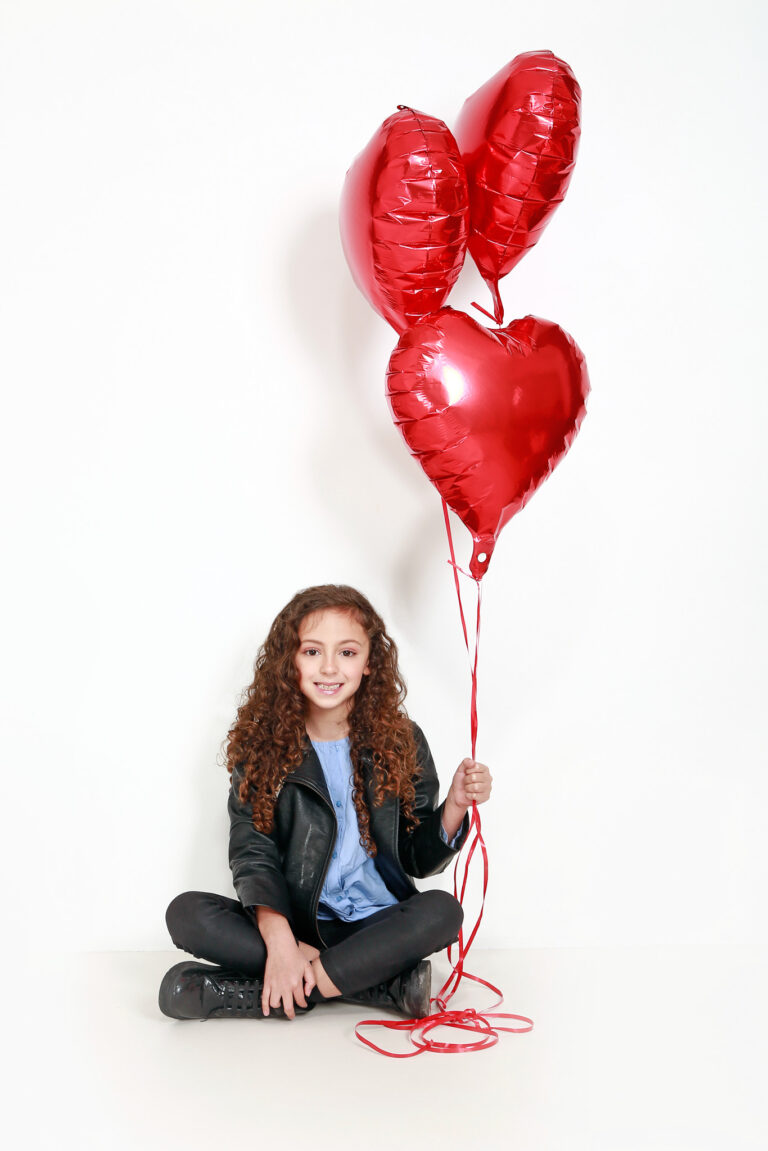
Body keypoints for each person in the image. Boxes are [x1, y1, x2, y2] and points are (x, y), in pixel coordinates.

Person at [159, 584, 492, 1022]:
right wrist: (280, 943)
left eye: (348, 653)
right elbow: (252, 853)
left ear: (370, 662)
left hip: (375, 925)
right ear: (289, 661)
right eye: (312, 652)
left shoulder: (401, 740)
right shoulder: (264, 746)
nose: (330, 667)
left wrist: (453, 804)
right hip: (295, 926)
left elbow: (417, 859)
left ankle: (289, 986)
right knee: (187, 913)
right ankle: (371, 984)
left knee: (443, 912)